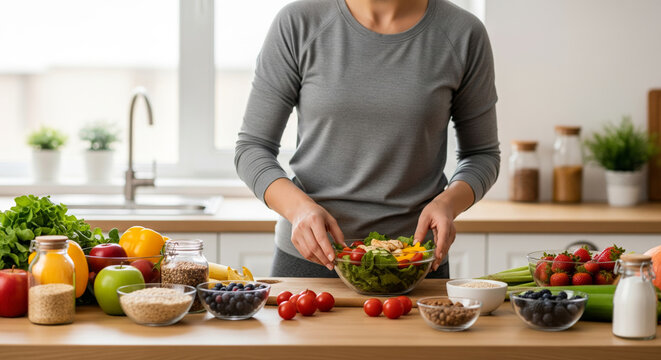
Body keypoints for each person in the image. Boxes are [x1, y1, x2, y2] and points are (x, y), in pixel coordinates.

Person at [235, 0, 500, 278]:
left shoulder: (463, 33)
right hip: (312, 259)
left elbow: (482, 154)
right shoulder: (298, 23)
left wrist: (448, 204)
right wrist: (298, 209)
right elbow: (252, 148)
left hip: (412, 262)